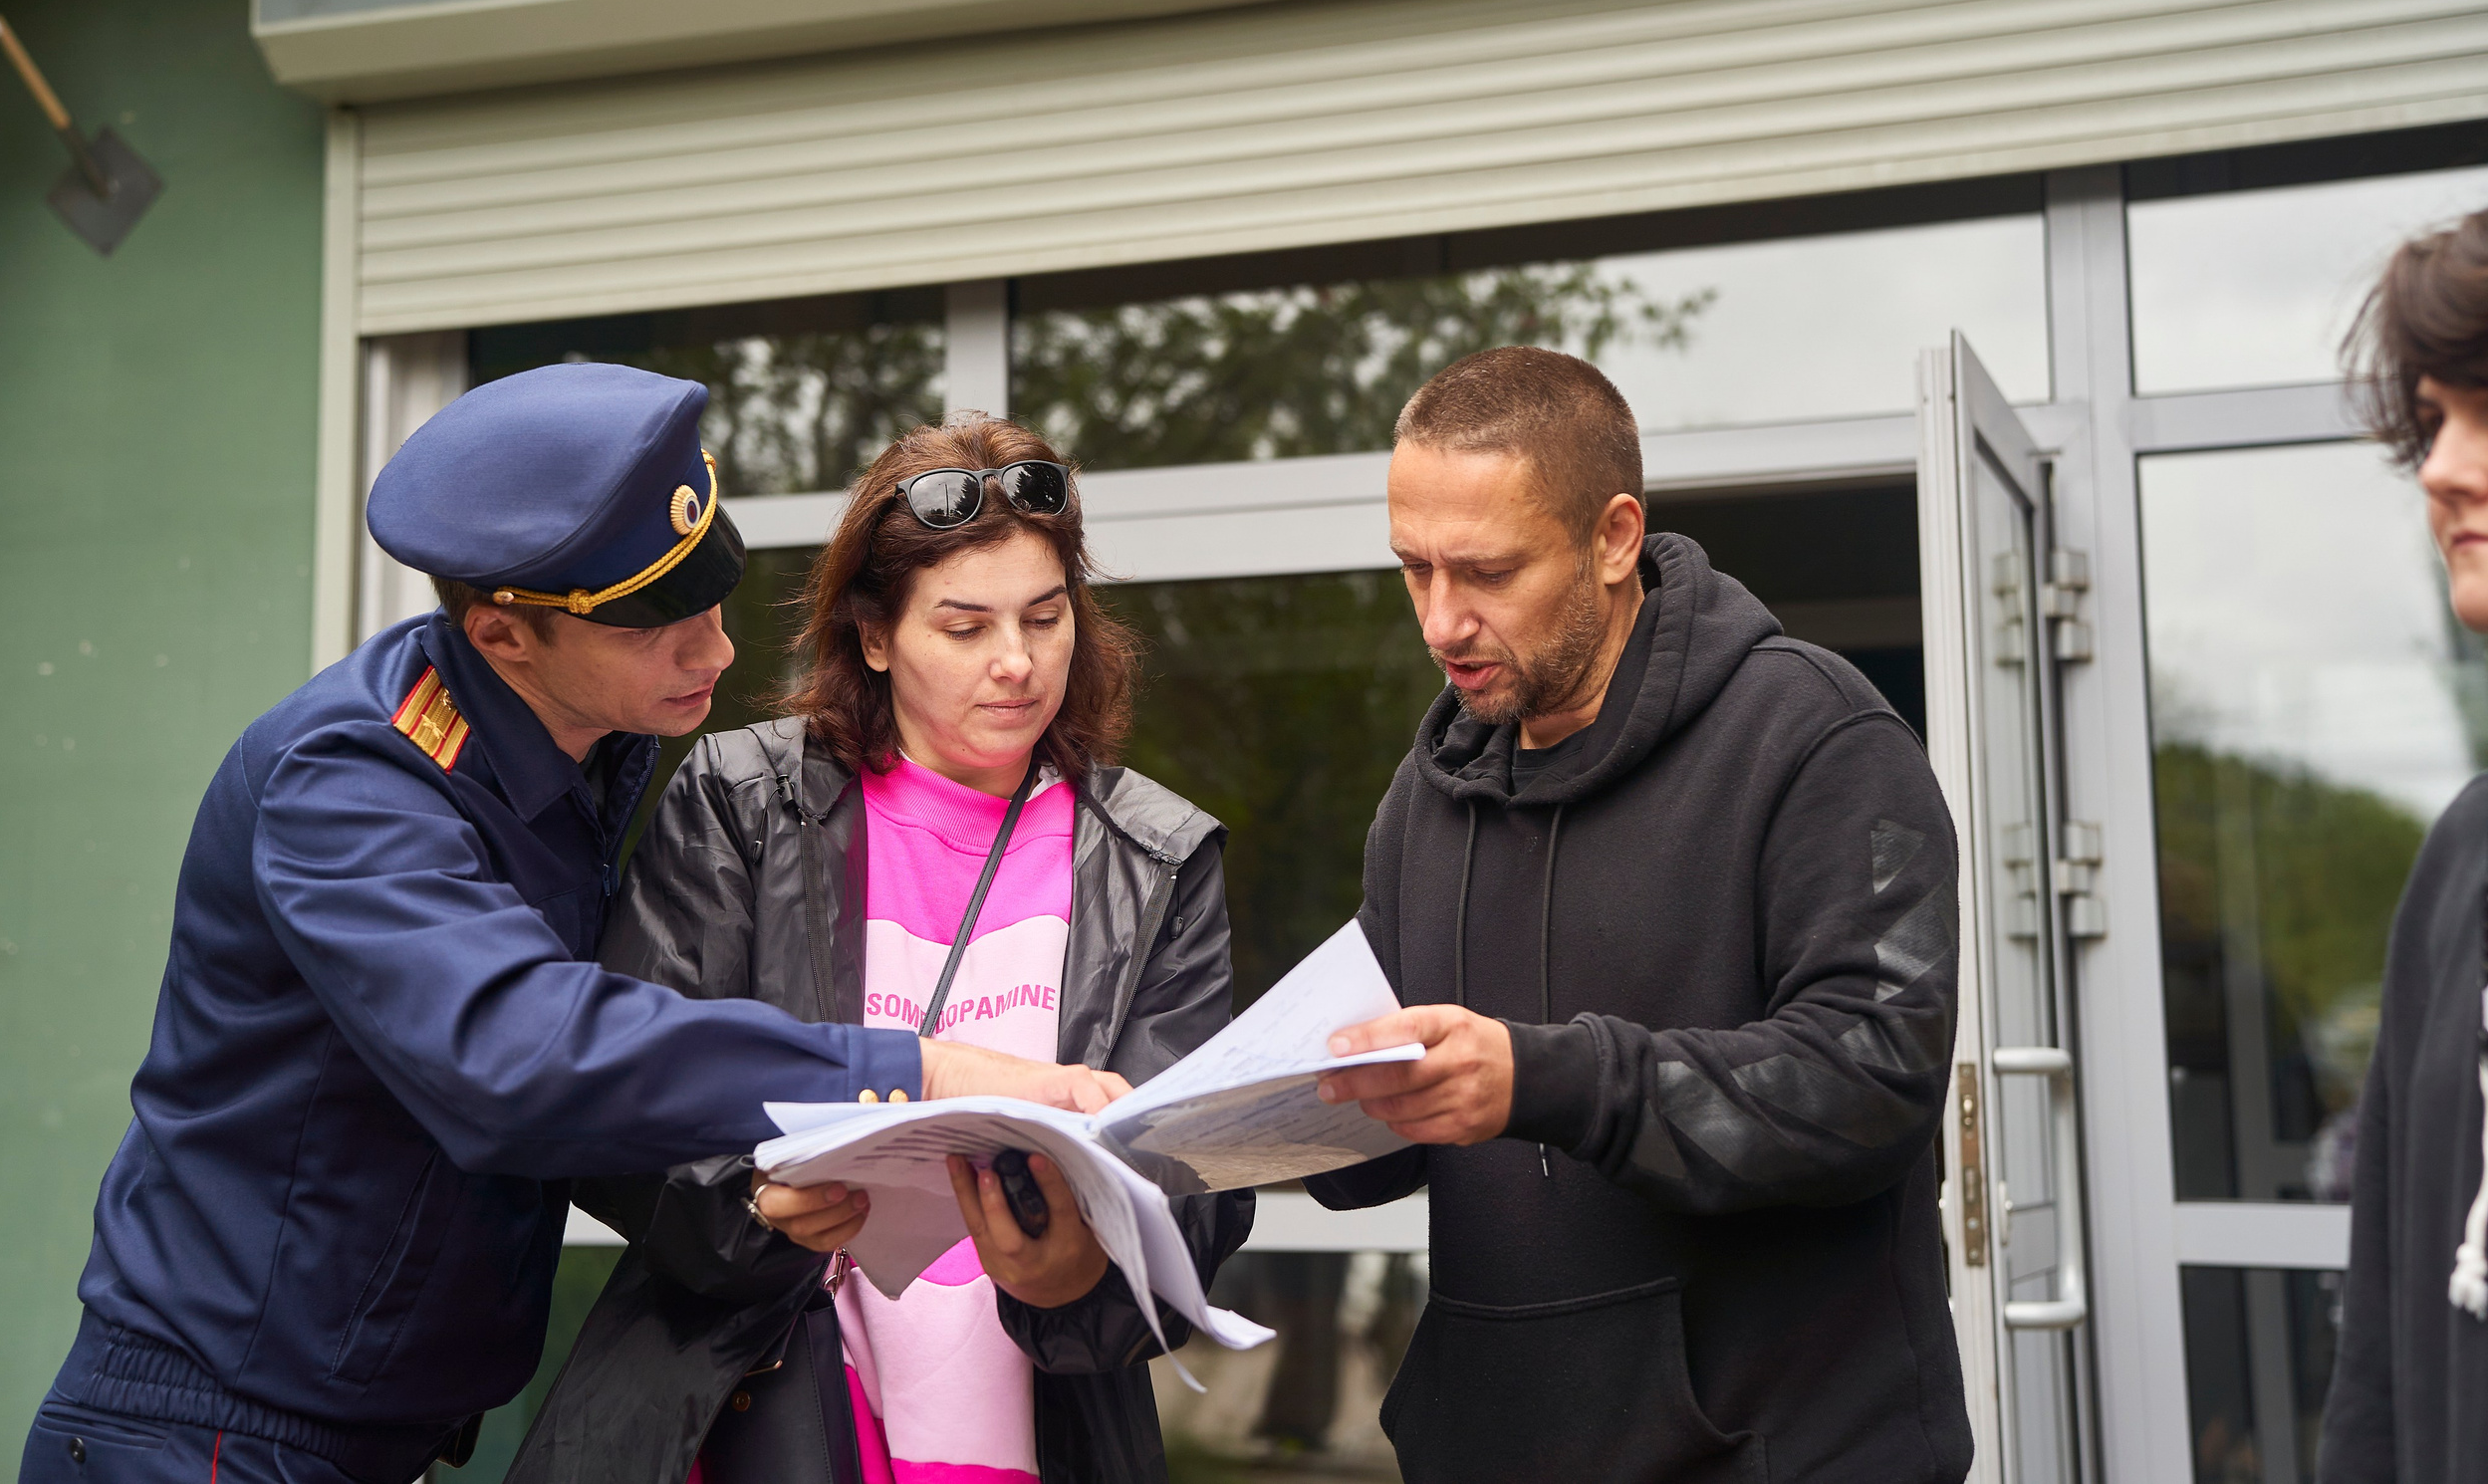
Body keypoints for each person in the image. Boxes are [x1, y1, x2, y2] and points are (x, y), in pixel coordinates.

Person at [19, 367, 1111, 1484]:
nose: (717, 654)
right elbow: (527, 1055)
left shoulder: (595, 739)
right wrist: (911, 1071)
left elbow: (638, 1064)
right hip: (209, 1435)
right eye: (659, 629)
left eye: (711, 600)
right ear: (502, 637)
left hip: (370, 1434)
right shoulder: (349, 781)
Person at [509, 416, 1253, 1484]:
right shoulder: (743, 803)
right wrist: (751, 1203)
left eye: (1046, 618)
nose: (1016, 662)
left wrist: (1077, 1270)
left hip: (1040, 1424)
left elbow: (1195, 1172)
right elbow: (622, 1101)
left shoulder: (1157, 855)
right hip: (766, 1405)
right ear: (872, 634)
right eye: (963, 627)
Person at [1306, 347, 1971, 1482]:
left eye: (1485, 571)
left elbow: (1874, 1079)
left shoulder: (1817, 744)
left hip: (1784, 1454)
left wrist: (1547, 1079)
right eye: (1411, 569)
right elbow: (1378, 1132)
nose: (1439, 620)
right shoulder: (1428, 796)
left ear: (1614, 538)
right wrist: (1263, 1117)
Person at [2319, 210, 2488, 1482]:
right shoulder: (2461, 861)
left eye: (2486, 412)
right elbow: (2382, 1331)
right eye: (2433, 421)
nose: (2439, 468)